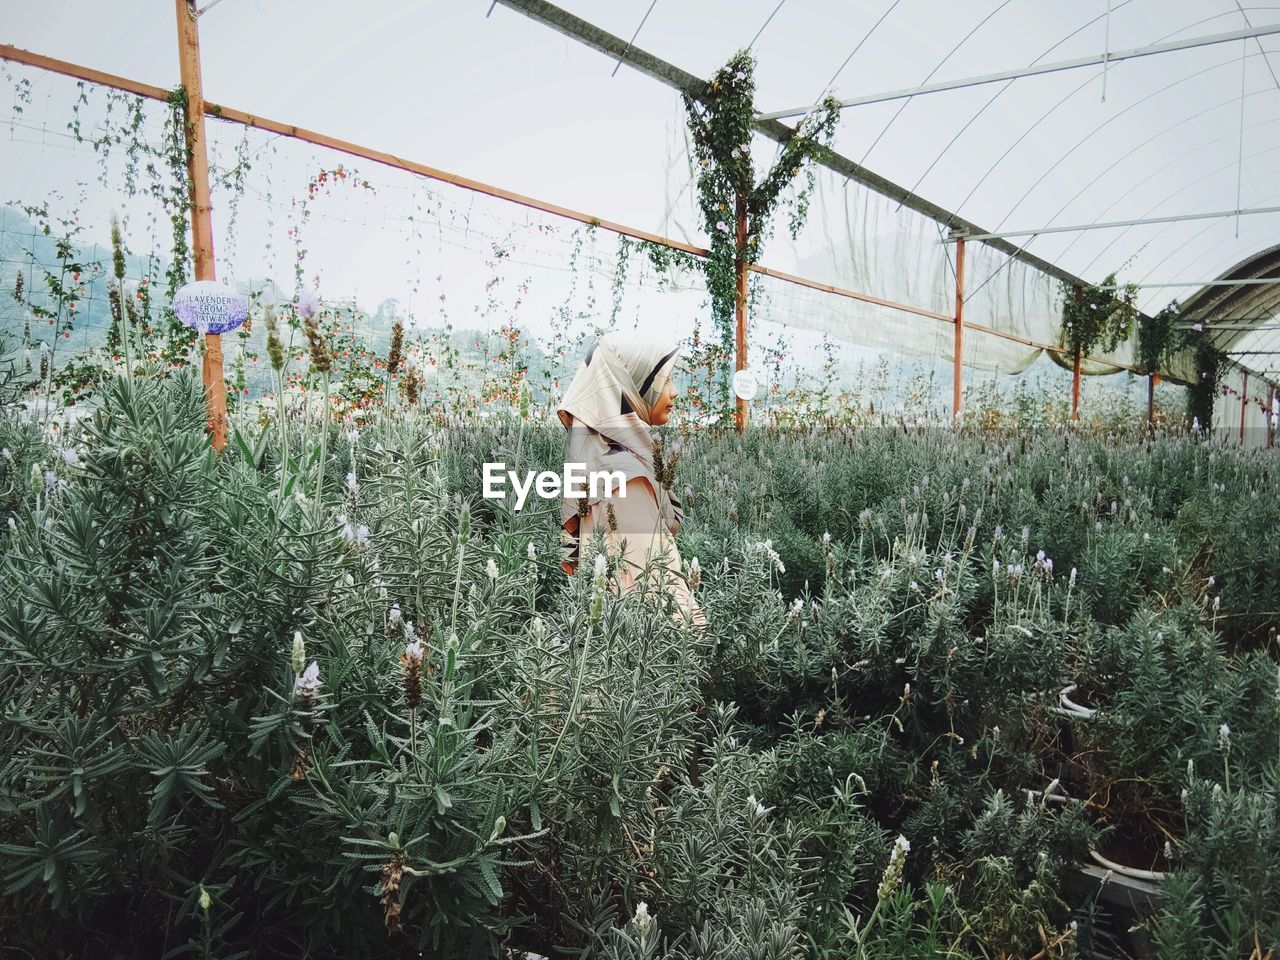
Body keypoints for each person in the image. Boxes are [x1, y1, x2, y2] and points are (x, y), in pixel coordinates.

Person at [556, 331, 705, 629]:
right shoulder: (624, 477)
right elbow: (657, 586)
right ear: (630, 387)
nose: (674, 391)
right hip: (645, 650)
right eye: (665, 380)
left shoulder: (600, 461)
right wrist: (696, 638)